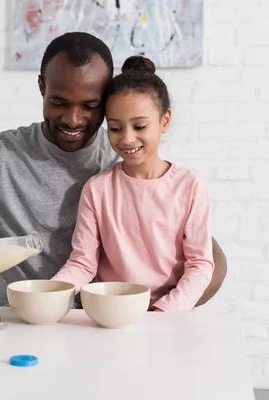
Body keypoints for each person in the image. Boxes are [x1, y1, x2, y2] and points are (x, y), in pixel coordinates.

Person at [0, 32, 227, 307]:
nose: (73, 119)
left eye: (90, 106)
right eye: (58, 102)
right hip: (28, 324)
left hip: (109, 323)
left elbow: (210, 262)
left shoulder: (123, 159)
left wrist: (156, 315)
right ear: (42, 87)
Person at [52, 55, 213, 312]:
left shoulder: (190, 186)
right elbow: (83, 263)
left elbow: (200, 264)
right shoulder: (97, 189)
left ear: (165, 121)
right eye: (115, 129)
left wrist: (163, 311)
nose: (127, 139)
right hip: (110, 314)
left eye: (139, 126)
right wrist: (52, 291)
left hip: (170, 317)